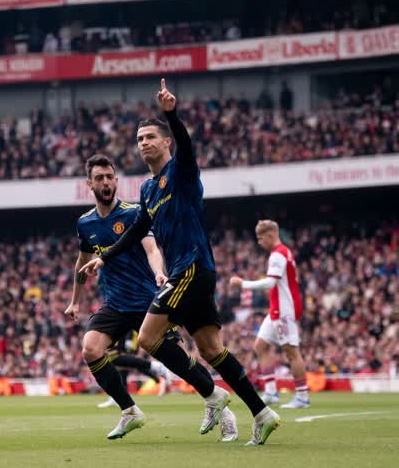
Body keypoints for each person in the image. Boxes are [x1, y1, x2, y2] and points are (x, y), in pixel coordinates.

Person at [81, 79, 280, 446]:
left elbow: (187, 146)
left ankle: (215, 397)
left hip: (193, 267)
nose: (144, 143)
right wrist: (103, 258)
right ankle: (262, 412)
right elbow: (138, 228)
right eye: (140, 139)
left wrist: (171, 114)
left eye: (150, 137)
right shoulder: (147, 188)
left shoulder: (182, 171)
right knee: (211, 349)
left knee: (148, 336)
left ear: (165, 142)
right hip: (186, 274)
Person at [66, 154, 237, 441]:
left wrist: (160, 273)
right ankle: (130, 411)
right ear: (89, 184)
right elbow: (81, 262)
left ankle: (217, 399)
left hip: (147, 299)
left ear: (116, 180)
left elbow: (152, 249)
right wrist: (75, 300)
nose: (106, 182)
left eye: (109, 177)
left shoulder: (134, 212)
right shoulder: (85, 223)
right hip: (115, 303)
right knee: (91, 349)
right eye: (99, 178)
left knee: (178, 362)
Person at [230, 219, 310, 408]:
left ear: (271, 235)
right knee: (260, 346)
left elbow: (270, 283)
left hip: (284, 309)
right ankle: (271, 392)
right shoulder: (281, 253)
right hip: (277, 308)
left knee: (291, 351)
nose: (259, 242)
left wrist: (244, 284)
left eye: (260, 237)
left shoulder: (278, 254)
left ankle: (302, 396)